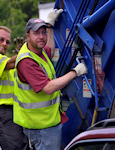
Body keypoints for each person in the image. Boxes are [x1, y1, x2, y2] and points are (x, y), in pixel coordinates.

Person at [13, 9, 87, 150]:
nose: (41, 37)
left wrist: (50, 26)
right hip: (40, 125)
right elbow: (48, 88)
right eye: (36, 33)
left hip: (45, 121)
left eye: (43, 32)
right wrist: (75, 72)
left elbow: (50, 50)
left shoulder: (38, 52)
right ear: (27, 36)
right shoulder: (27, 61)